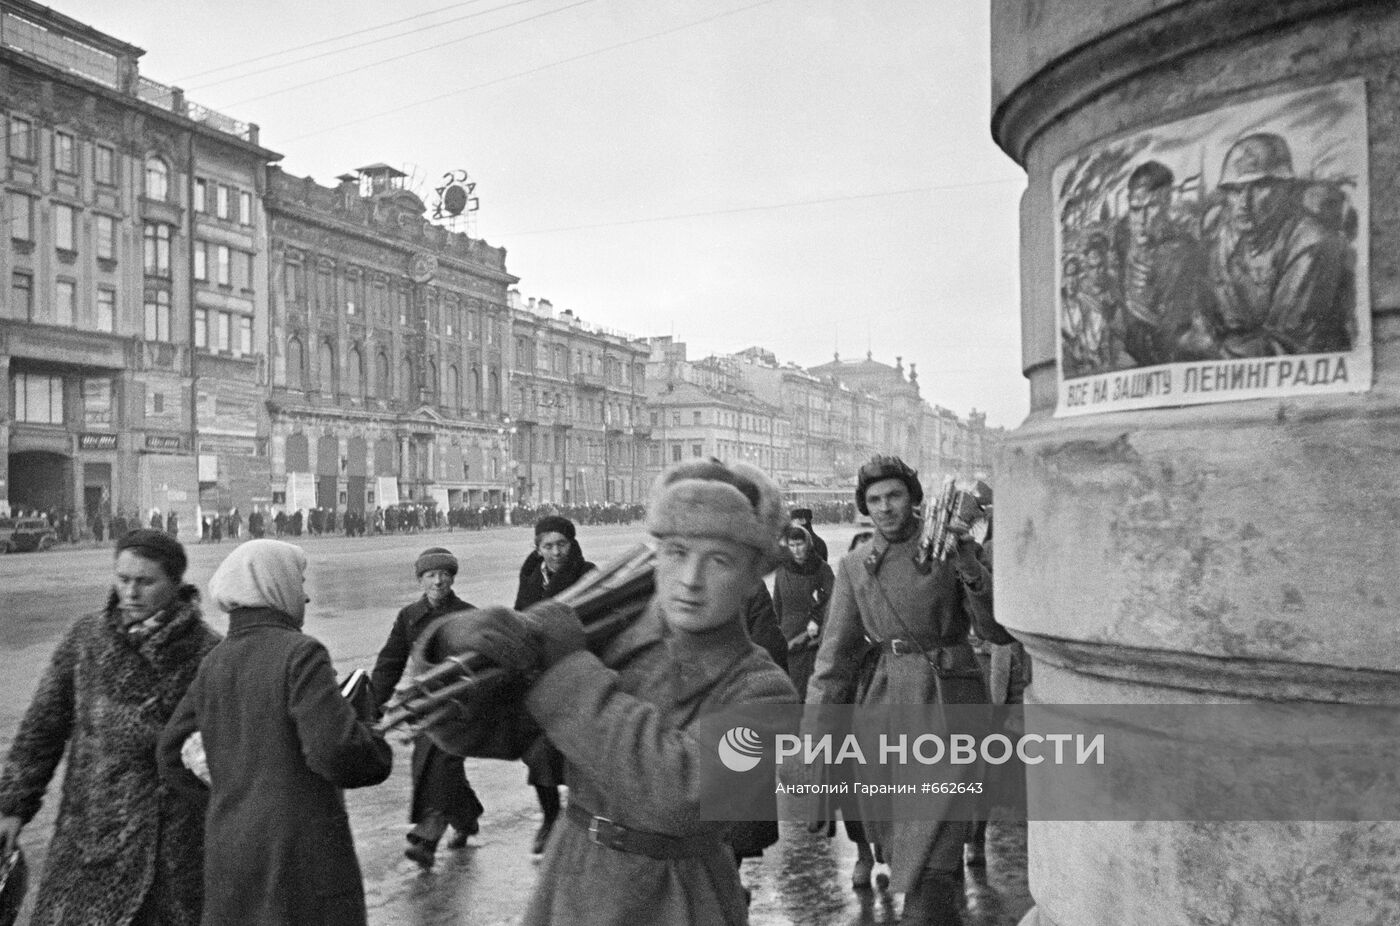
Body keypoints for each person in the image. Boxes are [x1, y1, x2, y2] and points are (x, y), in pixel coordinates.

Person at [428, 459, 799, 924]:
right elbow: (491, 734)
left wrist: (565, 668)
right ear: (656, 554)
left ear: (752, 580)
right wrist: (455, 644)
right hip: (574, 881)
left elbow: (681, 798)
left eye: (719, 560)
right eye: (678, 552)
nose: (690, 579)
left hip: (678, 898)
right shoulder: (612, 639)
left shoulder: (765, 690)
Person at [805, 455, 1002, 925]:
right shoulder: (855, 566)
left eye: (894, 495)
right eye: (874, 500)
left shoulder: (945, 548)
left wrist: (970, 564)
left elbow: (995, 632)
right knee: (909, 854)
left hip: (949, 704)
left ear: (912, 498)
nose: (885, 507)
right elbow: (834, 660)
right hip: (885, 712)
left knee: (931, 867)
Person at [158, 539, 392, 926]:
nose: (306, 596)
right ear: (274, 585)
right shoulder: (301, 653)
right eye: (299, 581)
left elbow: (170, 754)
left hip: (231, 846)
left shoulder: (214, 662)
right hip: (301, 853)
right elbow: (335, 751)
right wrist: (372, 741)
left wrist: (229, 800)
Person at [0, 529, 220, 925]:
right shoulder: (87, 640)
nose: (130, 593)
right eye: (123, 579)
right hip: (89, 834)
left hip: (173, 846)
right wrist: (13, 806)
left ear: (175, 584)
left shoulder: (208, 654)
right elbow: (41, 727)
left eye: (145, 582)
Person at [371, 547, 484, 869]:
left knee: (443, 764)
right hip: (423, 705)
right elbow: (390, 661)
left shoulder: (468, 613)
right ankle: (466, 816)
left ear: (453, 577)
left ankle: (428, 836)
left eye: (444, 574)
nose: (438, 581)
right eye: (431, 575)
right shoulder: (409, 617)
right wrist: (376, 703)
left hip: (459, 706)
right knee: (429, 764)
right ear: (420, 580)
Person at [1205, 131, 1356, 357]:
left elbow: (1287, 346)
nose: (1243, 202)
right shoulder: (1224, 240)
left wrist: (1212, 347)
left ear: (1285, 188)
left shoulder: (1313, 244)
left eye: (1259, 187)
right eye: (1234, 190)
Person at [512, 516, 596, 855]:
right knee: (538, 751)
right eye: (548, 545)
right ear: (537, 547)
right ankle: (550, 817)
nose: (556, 551)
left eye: (562, 544)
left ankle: (585, 817)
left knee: (582, 753)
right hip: (541, 676)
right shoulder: (530, 577)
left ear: (573, 544)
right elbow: (521, 616)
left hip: (579, 671)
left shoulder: (589, 574)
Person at [1114, 160, 1209, 367]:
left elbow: (1177, 328)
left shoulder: (1184, 251)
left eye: (1152, 206)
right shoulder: (1122, 240)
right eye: (1136, 208)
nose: (1142, 218)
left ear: (1167, 202)